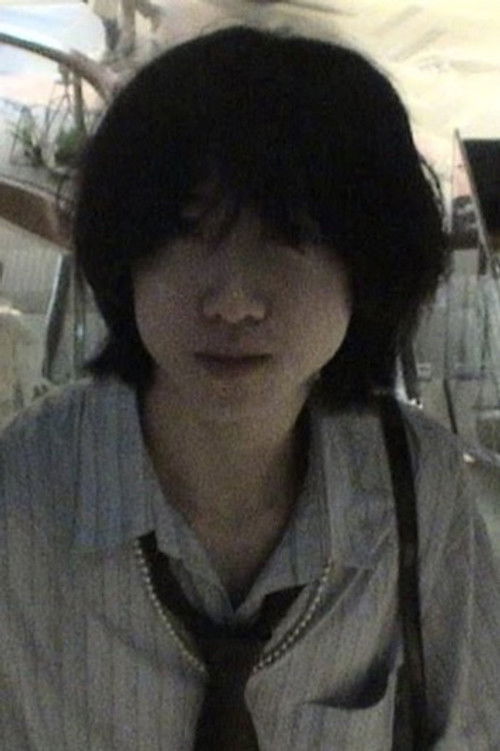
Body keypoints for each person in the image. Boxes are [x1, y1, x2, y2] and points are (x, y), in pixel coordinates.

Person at [1, 25, 499, 749]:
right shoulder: (21, 495)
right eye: (186, 234)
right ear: (127, 254)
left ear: (365, 265)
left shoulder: (415, 486)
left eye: (288, 239)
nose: (233, 301)